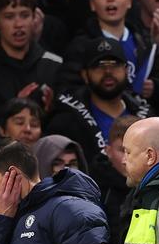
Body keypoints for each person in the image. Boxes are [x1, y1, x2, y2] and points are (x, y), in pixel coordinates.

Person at [49, 36, 153, 165]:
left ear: (126, 71)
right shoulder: (66, 123)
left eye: (114, 65)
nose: (108, 72)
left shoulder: (148, 119)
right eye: (99, 66)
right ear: (85, 75)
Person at [0, 0, 63, 108]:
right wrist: (14, 110)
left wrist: (53, 111)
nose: (18, 24)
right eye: (9, 17)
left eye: (25, 15)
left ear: (34, 17)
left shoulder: (54, 66)